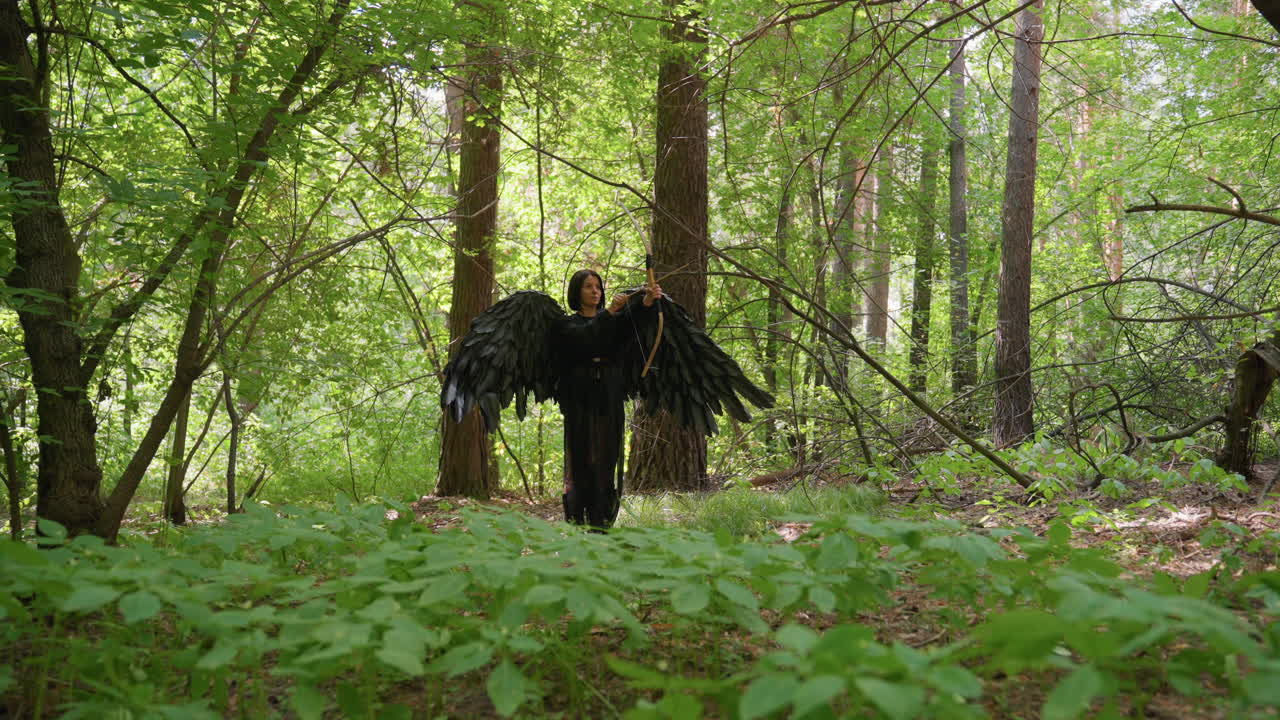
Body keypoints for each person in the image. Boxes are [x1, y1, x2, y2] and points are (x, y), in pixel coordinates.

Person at [553, 269, 660, 529]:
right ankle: (578, 517)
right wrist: (610, 312)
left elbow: (631, 329)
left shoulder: (612, 319)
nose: (595, 291)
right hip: (579, 393)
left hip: (609, 391)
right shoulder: (568, 324)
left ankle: (602, 519)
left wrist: (647, 303)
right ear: (577, 291)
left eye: (598, 286)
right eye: (588, 286)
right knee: (581, 453)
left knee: (607, 453)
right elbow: (584, 338)